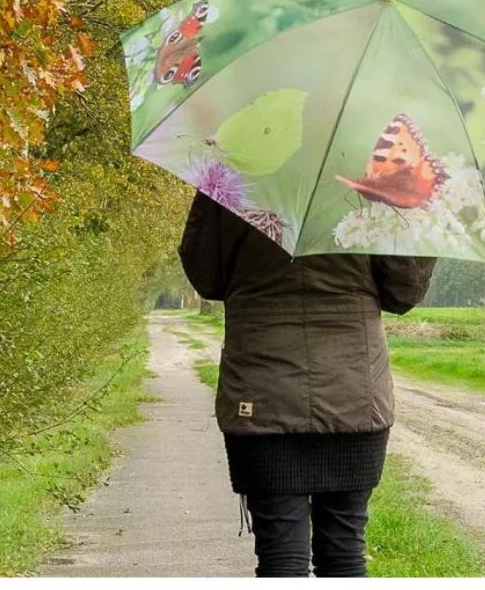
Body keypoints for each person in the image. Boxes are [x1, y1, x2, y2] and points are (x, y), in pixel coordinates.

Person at [177, 189, 437, 577]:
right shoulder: (375, 184)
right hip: (352, 391)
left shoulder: (232, 176)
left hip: (262, 392)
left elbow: (207, 279)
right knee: (345, 551)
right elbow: (402, 292)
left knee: (279, 554)